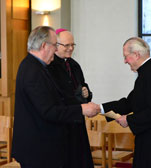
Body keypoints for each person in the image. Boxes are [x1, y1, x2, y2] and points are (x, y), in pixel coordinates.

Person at [12, 26, 100, 168]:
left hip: (43, 146)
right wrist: (81, 109)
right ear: (44, 46)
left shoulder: (35, 66)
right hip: (38, 148)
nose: (56, 49)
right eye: (54, 45)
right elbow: (48, 111)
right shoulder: (33, 71)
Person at [101, 37, 151, 168]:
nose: (125, 61)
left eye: (126, 57)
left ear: (136, 55)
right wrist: (100, 109)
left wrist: (129, 120)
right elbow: (129, 103)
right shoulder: (148, 72)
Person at [47, 28, 94, 168]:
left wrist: (87, 93)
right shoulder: (49, 66)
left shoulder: (74, 65)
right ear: (56, 45)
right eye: (66, 45)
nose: (71, 48)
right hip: (62, 122)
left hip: (77, 122)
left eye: (72, 45)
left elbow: (83, 86)